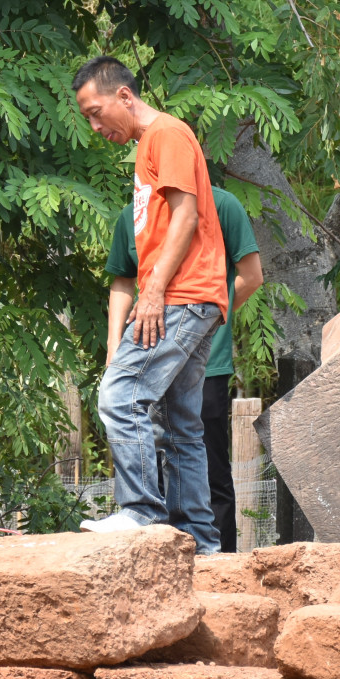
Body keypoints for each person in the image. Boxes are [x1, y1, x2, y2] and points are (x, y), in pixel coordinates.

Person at [73, 56, 230, 553]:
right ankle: (200, 543)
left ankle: (140, 512)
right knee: (182, 423)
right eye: (88, 119)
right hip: (195, 297)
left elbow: (186, 218)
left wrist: (155, 291)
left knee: (120, 396)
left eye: (97, 112)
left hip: (181, 296)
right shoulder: (148, 148)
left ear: (125, 96)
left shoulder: (167, 134)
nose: (96, 126)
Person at [106, 184, 263, 551]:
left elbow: (251, 275)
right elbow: (122, 279)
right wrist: (115, 346)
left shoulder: (222, 204)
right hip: (148, 353)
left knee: (209, 466)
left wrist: (200, 326)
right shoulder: (134, 213)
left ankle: (216, 558)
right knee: (157, 450)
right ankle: (161, 550)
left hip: (205, 360)